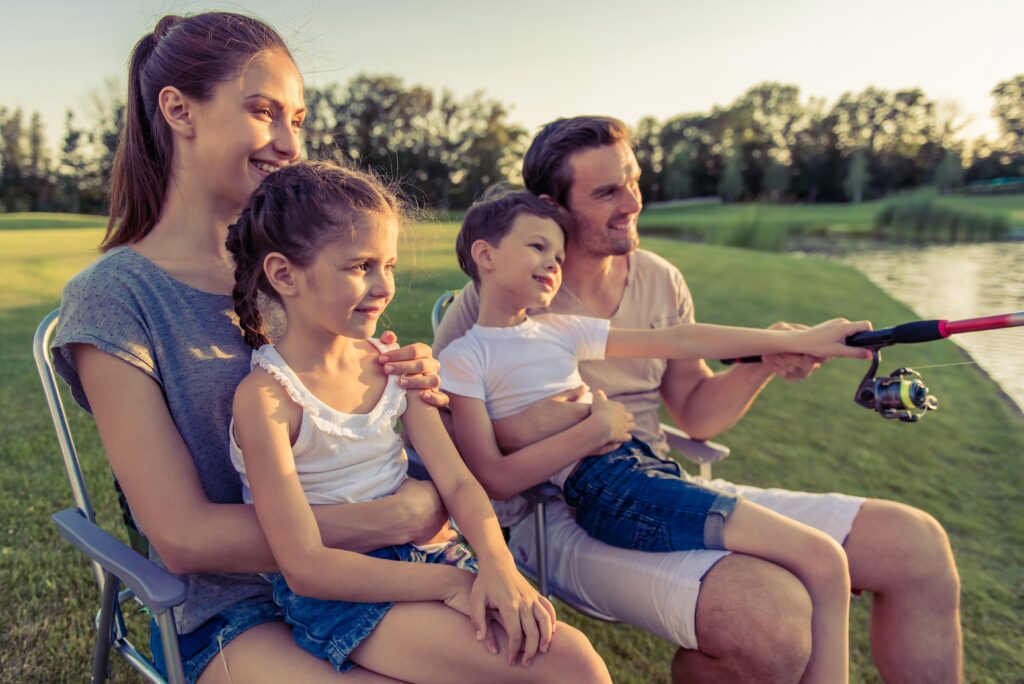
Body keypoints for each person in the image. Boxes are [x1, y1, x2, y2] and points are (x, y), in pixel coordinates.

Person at [46, 13, 595, 684]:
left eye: (298, 120)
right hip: (230, 610)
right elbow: (184, 537)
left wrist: (420, 393)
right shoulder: (117, 299)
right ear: (178, 110)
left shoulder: (318, 274)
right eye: (263, 111)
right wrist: (400, 514)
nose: (288, 142)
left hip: (386, 573)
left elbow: (374, 442)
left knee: (564, 667)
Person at [433, 117, 963, 683]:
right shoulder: (501, 292)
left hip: (659, 475)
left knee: (916, 545)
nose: (632, 201)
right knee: (775, 616)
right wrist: (579, 422)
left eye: (633, 180)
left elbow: (698, 412)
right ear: (552, 205)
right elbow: (450, 443)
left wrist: (769, 357)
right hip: (559, 514)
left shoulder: (658, 279)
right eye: (607, 191)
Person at [224, 161, 610, 683]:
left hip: (435, 555)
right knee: (567, 665)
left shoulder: (393, 364)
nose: (384, 287)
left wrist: (497, 562)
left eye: (390, 266)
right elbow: (304, 565)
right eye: (360, 266)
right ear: (284, 274)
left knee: (566, 653)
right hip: (343, 593)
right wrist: (450, 585)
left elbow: (456, 480)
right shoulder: (267, 398)